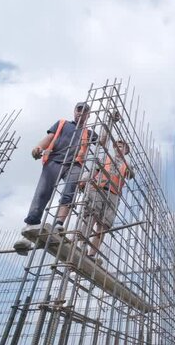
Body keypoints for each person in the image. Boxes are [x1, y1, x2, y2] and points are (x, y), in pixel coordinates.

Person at [13, 101, 98, 255]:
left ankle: (59, 224)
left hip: (74, 164)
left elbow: (103, 142)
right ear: (75, 111)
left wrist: (111, 121)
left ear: (88, 115)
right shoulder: (63, 123)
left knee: (70, 190)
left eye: (85, 111)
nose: (81, 113)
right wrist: (38, 148)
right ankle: (30, 227)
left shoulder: (89, 133)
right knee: (43, 193)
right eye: (79, 109)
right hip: (54, 160)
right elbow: (49, 137)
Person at [77, 111, 134, 263]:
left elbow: (130, 175)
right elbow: (94, 169)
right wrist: (83, 182)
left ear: (126, 151)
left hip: (113, 194)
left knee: (104, 226)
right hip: (97, 188)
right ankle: (81, 245)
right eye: (118, 145)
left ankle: (91, 255)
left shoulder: (126, 165)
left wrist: (128, 168)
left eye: (122, 146)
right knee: (91, 215)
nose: (119, 147)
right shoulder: (106, 157)